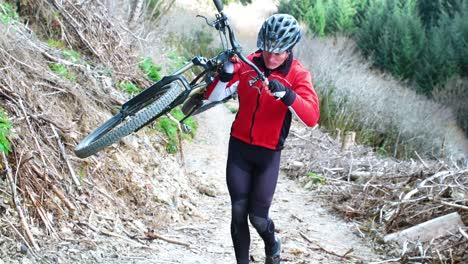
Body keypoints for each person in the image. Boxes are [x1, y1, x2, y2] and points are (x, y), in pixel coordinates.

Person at [205, 13, 320, 264]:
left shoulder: (298, 75)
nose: (271, 57)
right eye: (267, 49)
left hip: (268, 154)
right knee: (237, 212)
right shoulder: (248, 64)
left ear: (290, 50)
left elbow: (312, 117)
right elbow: (212, 98)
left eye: (278, 52)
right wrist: (224, 76)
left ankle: (272, 242)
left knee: (258, 218)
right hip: (240, 148)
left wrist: (288, 95)